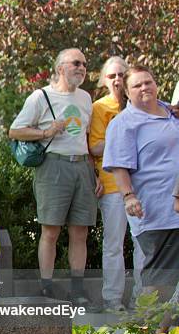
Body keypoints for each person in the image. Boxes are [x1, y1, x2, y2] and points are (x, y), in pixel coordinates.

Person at [9, 48, 102, 307]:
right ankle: (46, 286)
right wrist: (46, 132)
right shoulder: (40, 97)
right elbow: (14, 131)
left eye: (84, 63)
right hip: (54, 167)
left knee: (80, 231)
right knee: (50, 230)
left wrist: (94, 171)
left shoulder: (85, 98)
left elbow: (85, 137)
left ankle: (77, 289)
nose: (82, 68)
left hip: (82, 167)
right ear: (60, 67)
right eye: (76, 63)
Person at [103, 65, 179, 314]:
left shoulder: (171, 111)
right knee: (160, 283)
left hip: (176, 209)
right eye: (137, 85)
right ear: (127, 91)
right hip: (156, 212)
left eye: (148, 82)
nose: (145, 87)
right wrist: (129, 196)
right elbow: (118, 165)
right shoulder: (124, 123)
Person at [89, 57, 145, 311]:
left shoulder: (141, 105)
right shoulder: (99, 108)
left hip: (141, 187)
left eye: (122, 74)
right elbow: (94, 146)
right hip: (111, 186)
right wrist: (120, 134)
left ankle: (142, 299)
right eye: (112, 76)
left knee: (143, 244)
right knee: (113, 245)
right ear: (103, 80)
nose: (117, 80)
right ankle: (112, 300)